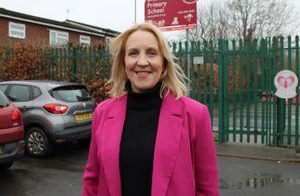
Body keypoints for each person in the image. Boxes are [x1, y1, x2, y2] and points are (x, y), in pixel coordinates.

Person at [82, 22, 219, 196]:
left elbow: (207, 188)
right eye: (133, 53)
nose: (142, 61)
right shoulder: (102, 113)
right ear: (123, 63)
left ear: (164, 62)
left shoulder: (195, 115)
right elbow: (92, 180)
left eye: (152, 53)